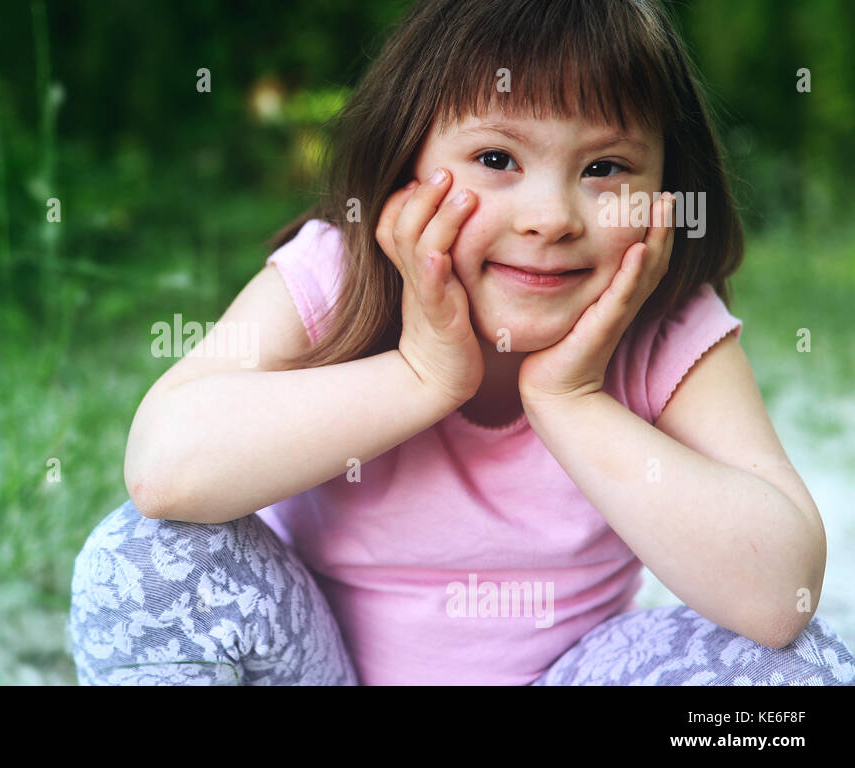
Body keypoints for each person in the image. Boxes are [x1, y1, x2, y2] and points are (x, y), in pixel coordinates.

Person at [68, 0, 855, 685]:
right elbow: (162, 471)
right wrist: (421, 374)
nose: (551, 216)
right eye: (495, 158)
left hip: (565, 674)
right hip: (313, 670)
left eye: (606, 166)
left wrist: (568, 399)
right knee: (142, 557)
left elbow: (780, 594)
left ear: (665, 196)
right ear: (405, 161)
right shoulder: (339, 273)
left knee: (800, 673)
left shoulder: (665, 323)